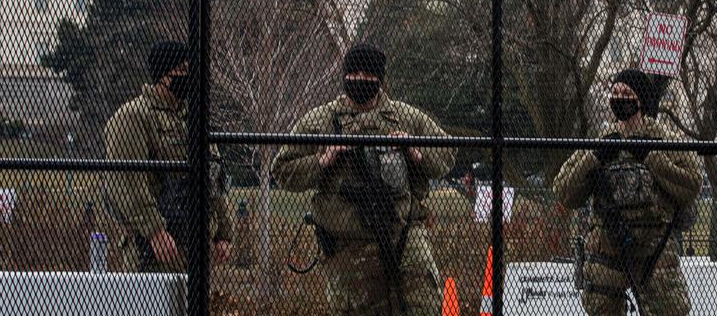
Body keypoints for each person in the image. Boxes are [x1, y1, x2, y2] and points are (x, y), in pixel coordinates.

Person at [272, 43, 456, 316]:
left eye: (368, 74)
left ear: (380, 79)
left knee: (423, 306)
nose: (360, 79)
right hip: (348, 244)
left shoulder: (403, 117)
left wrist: (414, 151)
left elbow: (448, 153)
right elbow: (281, 170)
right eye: (353, 72)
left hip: (403, 233)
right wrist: (323, 160)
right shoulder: (321, 120)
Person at [552, 69, 701, 316]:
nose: (620, 98)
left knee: (670, 310)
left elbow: (692, 184)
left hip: (655, 247)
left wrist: (651, 157)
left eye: (627, 93)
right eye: (616, 92)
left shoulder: (663, 138)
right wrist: (594, 157)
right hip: (608, 245)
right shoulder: (603, 139)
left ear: (640, 100)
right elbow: (563, 191)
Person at [105, 41, 233, 272]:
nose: (190, 77)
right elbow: (126, 182)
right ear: (164, 75)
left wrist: (223, 232)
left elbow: (211, 178)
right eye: (183, 70)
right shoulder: (133, 117)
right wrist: (155, 231)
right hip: (154, 249)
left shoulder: (193, 119)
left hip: (193, 244)